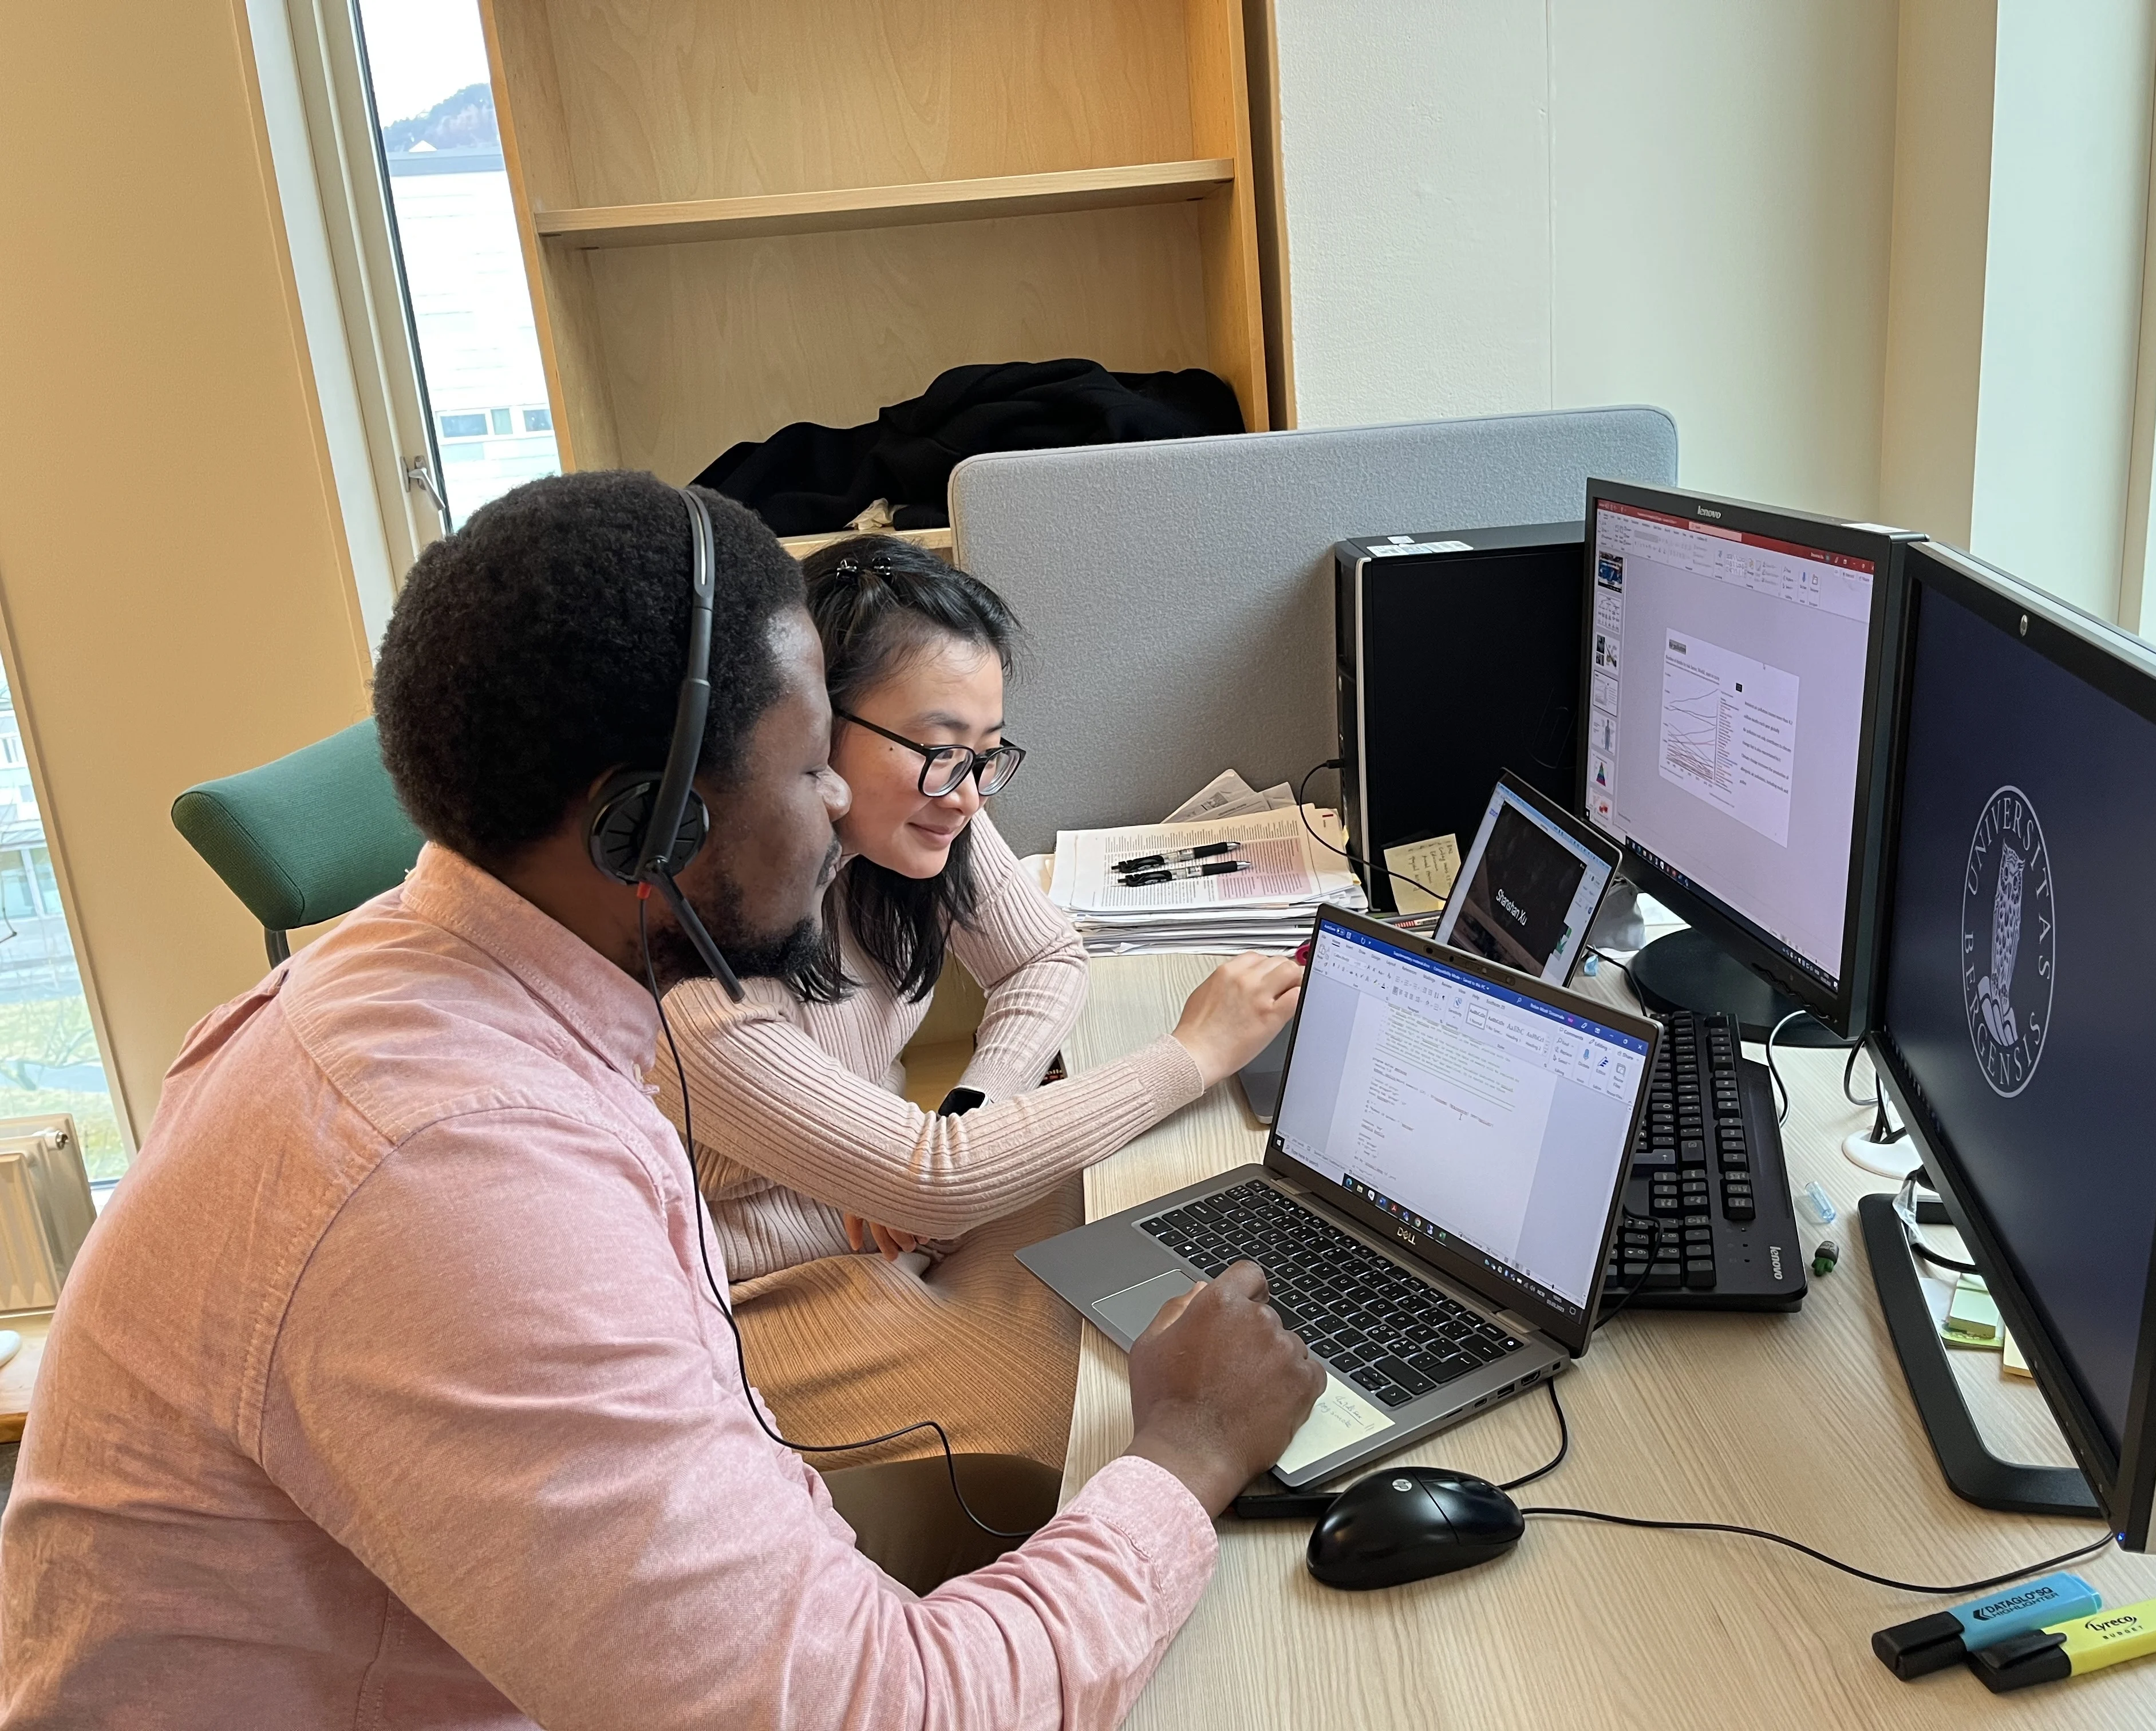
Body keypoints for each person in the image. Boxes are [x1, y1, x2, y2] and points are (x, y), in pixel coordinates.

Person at [0, 473, 1324, 1728]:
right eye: (811, 768)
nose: (832, 808)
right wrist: (1188, 1457)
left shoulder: (447, 999)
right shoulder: (455, 1175)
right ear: (647, 828)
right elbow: (892, 1711)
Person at [660, 535, 1302, 1475]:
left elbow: (1044, 956)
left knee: (1177, 1247)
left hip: (900, 1208)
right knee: (1119, 1428)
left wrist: (970, 1111)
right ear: (807, 725)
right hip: (773, 1298)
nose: (967, 796)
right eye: (942, 750)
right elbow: (930, 1180)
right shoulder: (700, 961)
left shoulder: (923, 809)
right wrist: (1192, 1055)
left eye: (987, 755)